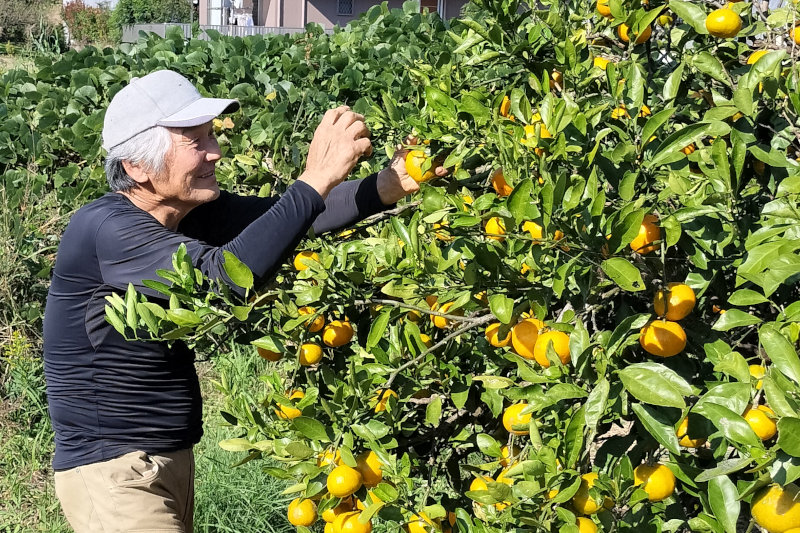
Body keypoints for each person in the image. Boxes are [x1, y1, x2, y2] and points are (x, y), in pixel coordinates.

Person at [42, 69, 445, 533]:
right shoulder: (107, 228)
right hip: (114, 471)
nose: (215, 151)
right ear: (137, 167)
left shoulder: (189, 215)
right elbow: (225, 279)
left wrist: (388, 185)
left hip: (164, 462)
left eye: (211, 135)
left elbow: (291, 218)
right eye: (196, 142)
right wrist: (314, 177)